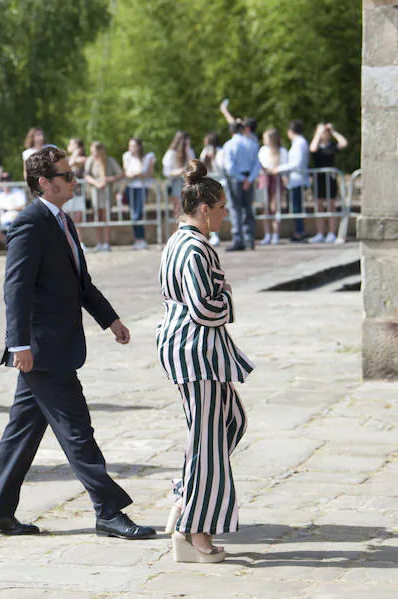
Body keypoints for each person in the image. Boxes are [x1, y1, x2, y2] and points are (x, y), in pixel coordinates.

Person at [0, 146, 154, 540]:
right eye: (67, 175)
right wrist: (18, 343)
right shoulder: (29, 224)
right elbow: (16, 289)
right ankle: (108, 511)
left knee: (21, 432)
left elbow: (81, 284)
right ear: (44, 182)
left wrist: (110, 319)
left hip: (54, 346)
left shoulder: (63, 221)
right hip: (42, 350)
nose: (74, 181)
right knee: (78, 431)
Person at [156, 159, 253, 563]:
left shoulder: (182, 243)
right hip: (196, 353)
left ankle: (185, 497)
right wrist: (227, 296)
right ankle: (194, 530)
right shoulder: (194, 247)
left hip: (196, 351)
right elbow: (206, 309)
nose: (225, 214)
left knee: (229, 423)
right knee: (209, 440)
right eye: (221, 207)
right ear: (203, 209)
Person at [221, 121, 261, 251]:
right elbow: (257, 164)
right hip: (248, 177)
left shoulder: (229, 145)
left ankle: (238, 239)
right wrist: (249, 179)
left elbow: (229, 166)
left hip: (236, 179)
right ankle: (249, 238)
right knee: (248, 208)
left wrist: (241, 178)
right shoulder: (252, 143)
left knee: (235, 209)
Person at [309, 122, 348, 243]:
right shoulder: (317, 145)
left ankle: (331, 232)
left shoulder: (331, 146)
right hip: (318, 179)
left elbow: (344, 143)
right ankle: (320, 233)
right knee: (319, 206)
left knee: (331, 206)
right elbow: (313, 148)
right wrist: (319, 131)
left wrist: (333, 131)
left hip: (330, 178)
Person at [275, 120, 310, 243]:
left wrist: (279, 169)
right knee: (295, 207)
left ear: (290, 131)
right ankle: (299, 231)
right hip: (295, 180)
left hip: (298, 180)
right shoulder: (299, 142)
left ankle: (300, 232)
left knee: (297, 208)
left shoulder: (299, 143)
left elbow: (296, 163)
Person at [83, 141, 123, 252]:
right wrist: (96, 183)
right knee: (97, 217)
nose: (94, 154)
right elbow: (86, 175)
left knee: (106, 217)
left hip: (107, 194)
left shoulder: (110, 161)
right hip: (94, 193)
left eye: (95, 152)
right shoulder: (90, 161)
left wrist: (109, 179)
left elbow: (120, 174)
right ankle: (99, 242)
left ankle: (106, 242)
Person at [122, 137, 156, 249]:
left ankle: (141, 238)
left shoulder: (147, 157)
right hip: (130, 188)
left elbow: (148, 173)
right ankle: (138, 239)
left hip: (141, 187)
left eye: (133, 145)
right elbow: (127, 172)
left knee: (137, 214)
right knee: (133, 214)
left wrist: (136, 174)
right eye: (130, 145)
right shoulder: (126, 156)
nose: (131, 148)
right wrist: (138, 174)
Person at [257, 128, 289, 245]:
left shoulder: (282, 151)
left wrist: (276, 170)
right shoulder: (263, 150)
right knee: (265, 207)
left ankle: (275, 234)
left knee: (275, 207)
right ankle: (267, 234)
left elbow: (285, 165)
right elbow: (259, 163)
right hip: (265, 178)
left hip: (276, 178)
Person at [162, 131, 197, 231]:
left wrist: (187, 151)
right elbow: (166, 172)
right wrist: (180, 171)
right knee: (178, 209)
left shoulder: (190, 151)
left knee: (190, 209)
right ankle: (178, 230)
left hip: (188, 183)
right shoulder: (171, 154)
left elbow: (193, 165)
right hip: (176, 182)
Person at [199, 133, 225, 246]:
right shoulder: (205, 151)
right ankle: (214, 235)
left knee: (217, 209)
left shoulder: (220, 151)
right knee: (209, 210)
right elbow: (202, 167)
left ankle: (216, 235)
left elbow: (222, 167)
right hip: (209, 183)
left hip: (219, 182)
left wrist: (213, 158)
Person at [64, 138, 88, 238]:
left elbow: (72, 164)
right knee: (67, 218)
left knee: (78, 218)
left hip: (78, 192)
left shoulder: (83, 158)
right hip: (66, 192)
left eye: (71, 144)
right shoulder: (67, 158)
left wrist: (75, 154)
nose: (69, 146)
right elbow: (67, 166)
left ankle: (80, 242)